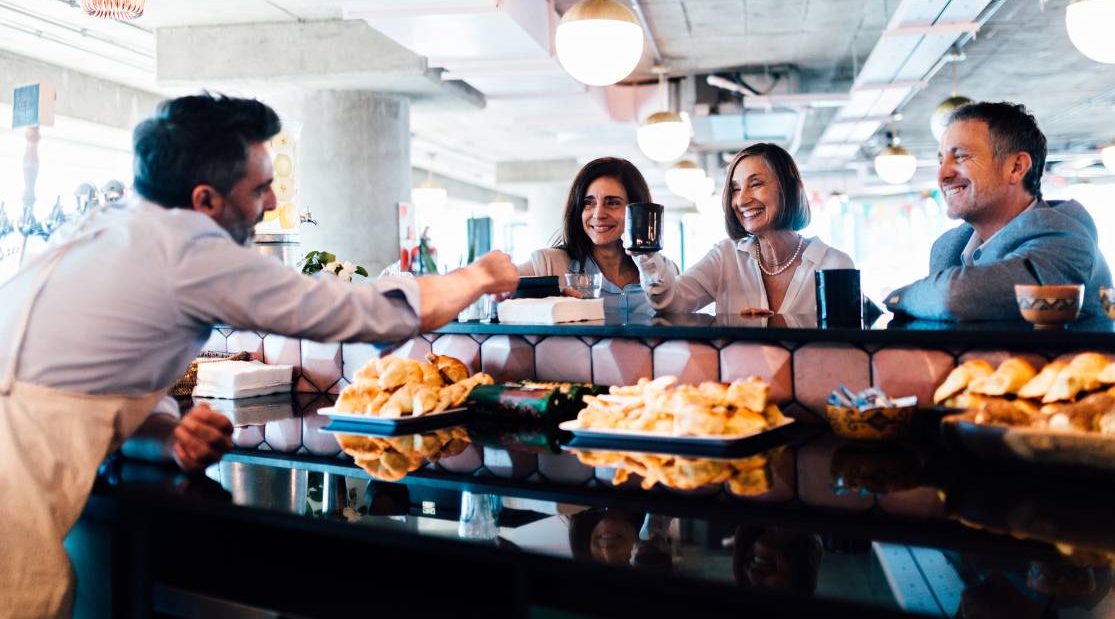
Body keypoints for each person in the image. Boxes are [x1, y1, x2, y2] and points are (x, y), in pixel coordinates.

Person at [0, 94, 518, 618]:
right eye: (260, 187)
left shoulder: (110, 226)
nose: (272, 202)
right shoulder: (191, 249)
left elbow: (99, 369)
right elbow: (356, 312)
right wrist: (477, 277)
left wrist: (163, 433)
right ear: (206, 200)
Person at [885, 101, 1112, 322]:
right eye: (941, 160)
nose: (942, 174)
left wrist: (898, 297)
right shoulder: (947, 248)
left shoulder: (1067, 241)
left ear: (1016, 167)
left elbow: (955, 296)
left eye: (961, 156)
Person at [633, 142, 854, 315]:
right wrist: (646, 256)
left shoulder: (835, 264)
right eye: (736, 189)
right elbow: (671, 304)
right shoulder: (726, 257)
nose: (741, 200)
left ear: (790, 189)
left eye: (756, 184)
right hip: (742, 374)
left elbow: (846, 346)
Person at [518, 157, 677, 315]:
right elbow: (497, 295)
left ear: (636, 211)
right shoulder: (547, 264)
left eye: (612, 203)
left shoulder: (666, 271)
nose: (598, 214)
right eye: (588, 203)